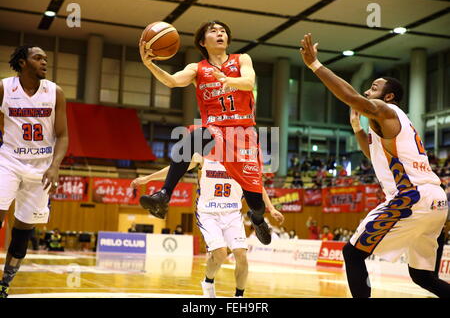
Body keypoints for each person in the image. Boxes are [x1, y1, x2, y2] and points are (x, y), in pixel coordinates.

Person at [300, 33, 450, 298]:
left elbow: (353, 97)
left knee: (352, 253)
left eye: (374, 87)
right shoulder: (396, 125)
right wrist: (357, 128)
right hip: (436, 202)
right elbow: (374, 156)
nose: (369, 91)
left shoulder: (385, 109)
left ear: (388, 96)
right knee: (423, 276)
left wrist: (315, 66)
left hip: (411, 198)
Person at [138, 21, 272, 246]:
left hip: (242, 135)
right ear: (203, 41)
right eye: (214, 31)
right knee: (189, 142)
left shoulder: (242, 60)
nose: (220, 33)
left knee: (255, 201)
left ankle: (257, 219)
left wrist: (229, 80)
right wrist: (150, 64)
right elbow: (172, 81)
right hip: (215, 130)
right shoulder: (196, 68)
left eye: (223, 31)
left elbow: (249, 82)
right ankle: (163, 196)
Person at [131, 152, 284, 298]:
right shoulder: (205, 155)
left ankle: (239, 296)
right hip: (208, 213)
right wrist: (147, 179)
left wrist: (270, 208)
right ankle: (208, 282)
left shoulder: (242, 160)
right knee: (220, 253)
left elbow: (257, 185)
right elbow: (175, 169)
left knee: (241, 255)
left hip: (232, 214)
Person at [0, 45, 68, 298]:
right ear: (22, 62)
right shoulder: (5, 88)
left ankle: (3, 285)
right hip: (8, 161)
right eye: (38, 58)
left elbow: (63, 135)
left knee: (23, 232)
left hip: (41, 169)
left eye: (45, 58)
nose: (44, 62)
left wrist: (55, 166)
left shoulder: (55, 93)